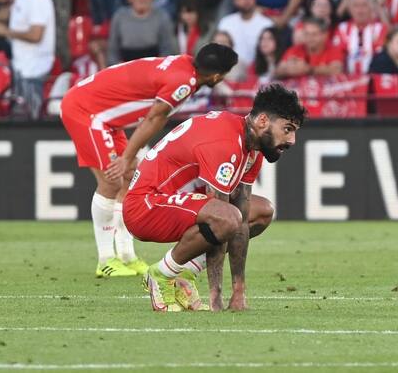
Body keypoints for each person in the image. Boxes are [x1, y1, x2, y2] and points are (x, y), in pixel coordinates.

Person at [63, 42, 239, 277]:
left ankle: (126, 255)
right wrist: (126, 157)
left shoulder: (185, 67)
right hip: (86, 111)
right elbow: (155, 117)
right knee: (112, 180)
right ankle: (105, 260)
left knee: (129, 180)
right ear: (217, 76)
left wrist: (128, 159)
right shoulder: (183, 82)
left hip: (106, 117)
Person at [123, 86, 304, 312]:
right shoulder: (225, 141)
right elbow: (222, 217)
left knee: (261, 212)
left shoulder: (252, 148)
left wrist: (239, 292)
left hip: (176, 201)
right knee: (226, 218)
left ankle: (186, 272)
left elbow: (242, 219)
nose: (292, 139)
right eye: (287, 129)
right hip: (145, 206)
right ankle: (161, 274)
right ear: (263, 121)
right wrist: (215, 299)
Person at [0, 0, 55, 119]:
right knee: (20, 115)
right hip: (21, 66)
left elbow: (36, 35)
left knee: (32, 118)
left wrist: (6, 32)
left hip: (35, 69)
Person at [109, 0, 177, 64]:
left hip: (154, 66)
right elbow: (113, 50)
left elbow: (168, 49)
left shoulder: (162, 17)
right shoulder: (119, 17)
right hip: (125, 67)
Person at [277, 17, 343, 78]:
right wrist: (288, 70)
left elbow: (337, 70)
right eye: (307, 34)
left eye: (314, 34)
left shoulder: (333, 49)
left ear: (325, 35)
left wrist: (309, 69)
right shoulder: (294, 50)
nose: (310, 38)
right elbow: (277, 71)